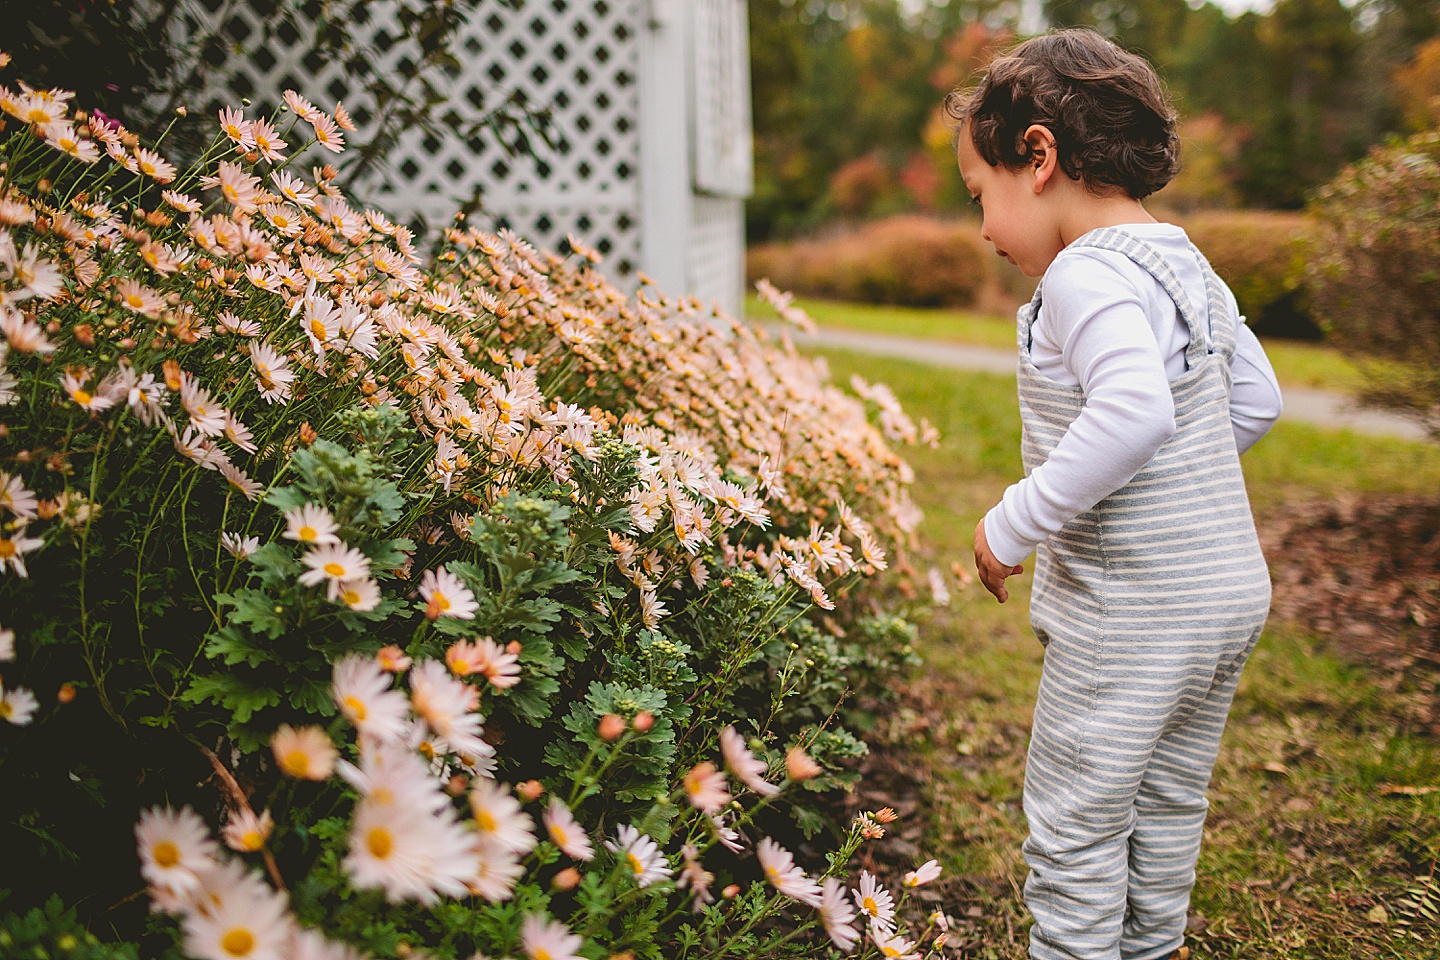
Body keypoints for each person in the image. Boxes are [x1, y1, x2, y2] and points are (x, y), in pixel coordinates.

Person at [949, 28, 1284, 960]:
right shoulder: (1187, 265)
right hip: (1223, 597)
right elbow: (1254, 398)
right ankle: (1152, 946)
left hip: (1132, 611)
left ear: (1039, 156)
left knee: (1076, 819)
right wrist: (1180, 478)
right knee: (1169, 798)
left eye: (983, 194)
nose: (982, 228)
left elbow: (1135, 412)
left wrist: (1014, 521)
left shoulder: (1084, 274)